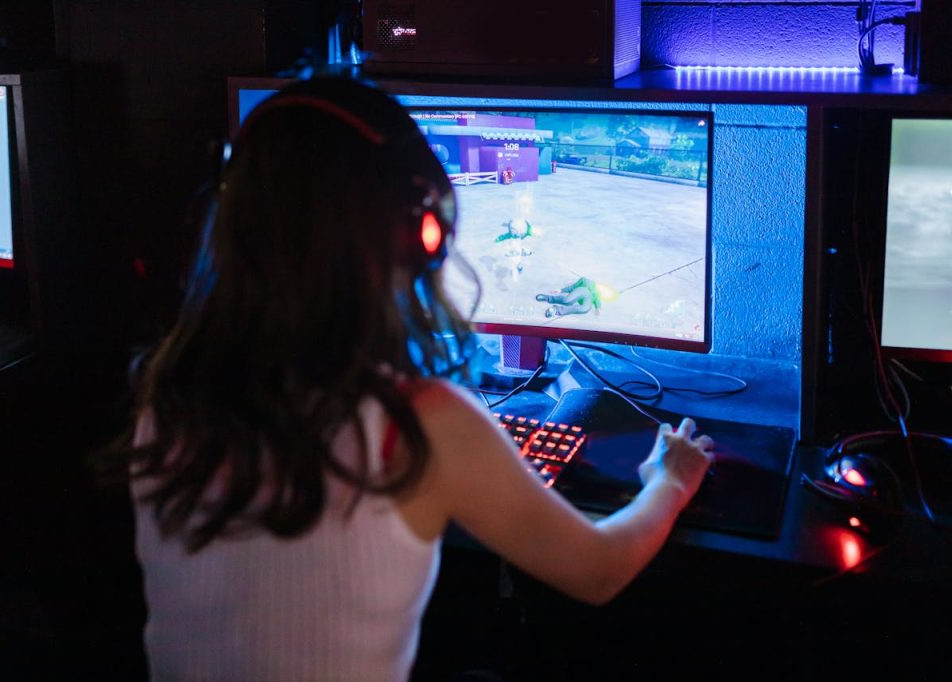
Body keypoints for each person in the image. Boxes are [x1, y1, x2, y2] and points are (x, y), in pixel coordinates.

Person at [121, 77, 714, 681]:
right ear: (420, 233)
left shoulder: (172, 396)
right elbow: (600, 572)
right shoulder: (419, 421)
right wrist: (669, 480)